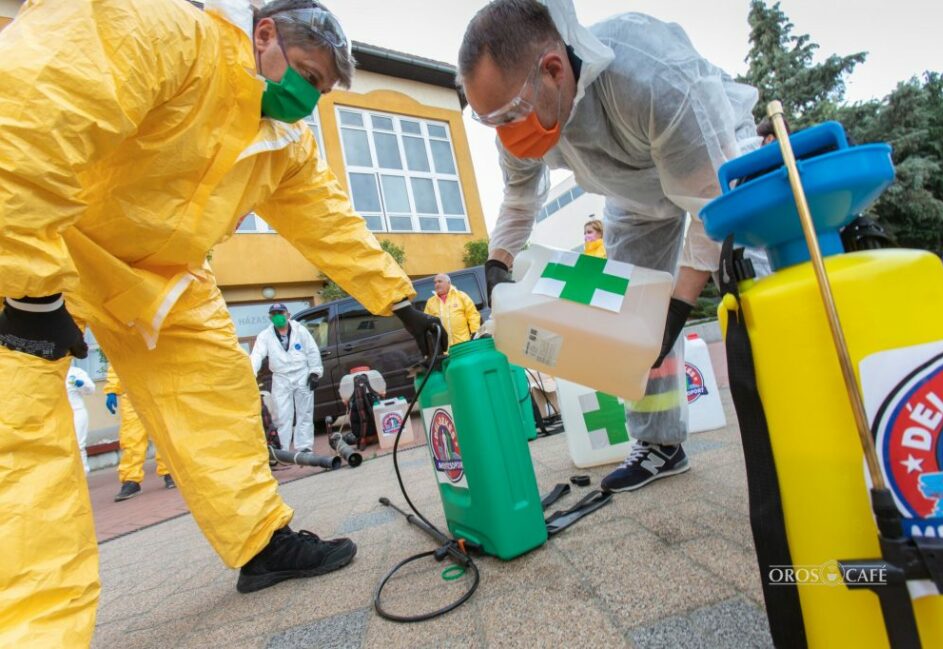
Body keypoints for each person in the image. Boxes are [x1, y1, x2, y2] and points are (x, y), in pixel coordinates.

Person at [0, 1, 443, 645]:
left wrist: (402, 302)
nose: (308, 98)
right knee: (22, 430)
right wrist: (25, 290)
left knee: (218, 392)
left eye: (321, 89)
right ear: (264, 34)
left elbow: (330, 223)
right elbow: (32, 109)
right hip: (38, 235)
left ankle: (261, 544)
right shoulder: (165, 29)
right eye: (309, 77)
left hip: (160, 277)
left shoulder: (285, 144)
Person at [459, 0, 760, 493]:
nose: (505, 137)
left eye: (509, 116)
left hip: (719, 161)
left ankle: (794, 404)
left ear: (553, 70)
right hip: (634, 196)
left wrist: (678, 309)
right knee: (627, 320)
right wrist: (499, 261)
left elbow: (713, 205)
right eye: (491, 122)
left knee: (757, 270)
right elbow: (519, 196)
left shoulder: (651, 76)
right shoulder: (519, 112)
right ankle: (661, 444)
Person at [250, 303, 323, 453]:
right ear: (270, 318)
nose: (277, 316)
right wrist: (250, 374)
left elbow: (312, 350)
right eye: (274, 313)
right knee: (282, 415)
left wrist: (315, 372)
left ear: (288, 315)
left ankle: (304, 448)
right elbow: (257, 355)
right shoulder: (265, 336)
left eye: (280, 312)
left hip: (302, 374)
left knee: (305, 413)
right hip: (281, 378)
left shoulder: (300, 330)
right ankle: (282, 450)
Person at [104, 365, 175, 500]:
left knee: (163, 433)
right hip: (131, 394)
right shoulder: (121, 344)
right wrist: (111, 390)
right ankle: (131, 481)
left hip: (157, 390)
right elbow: (115, 362)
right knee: (131, 438)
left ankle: (170, 472)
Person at [424, 274, 482, 349]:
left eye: (439, 281)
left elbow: (473, 315)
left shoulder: (461, 296)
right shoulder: (430, 302)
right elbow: (426, 323)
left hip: (464, 344)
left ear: (448, 283)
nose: (437, 284)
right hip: (445, 350)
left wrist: (475, 333)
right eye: (435, 282)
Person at [66, 364, 95, 474]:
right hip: (61, 414)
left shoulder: (76, 372)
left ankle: (83, 473)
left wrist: (82, 385)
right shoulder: (52, 371)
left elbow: (91, 389)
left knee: (78, 444)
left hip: (77, 412)